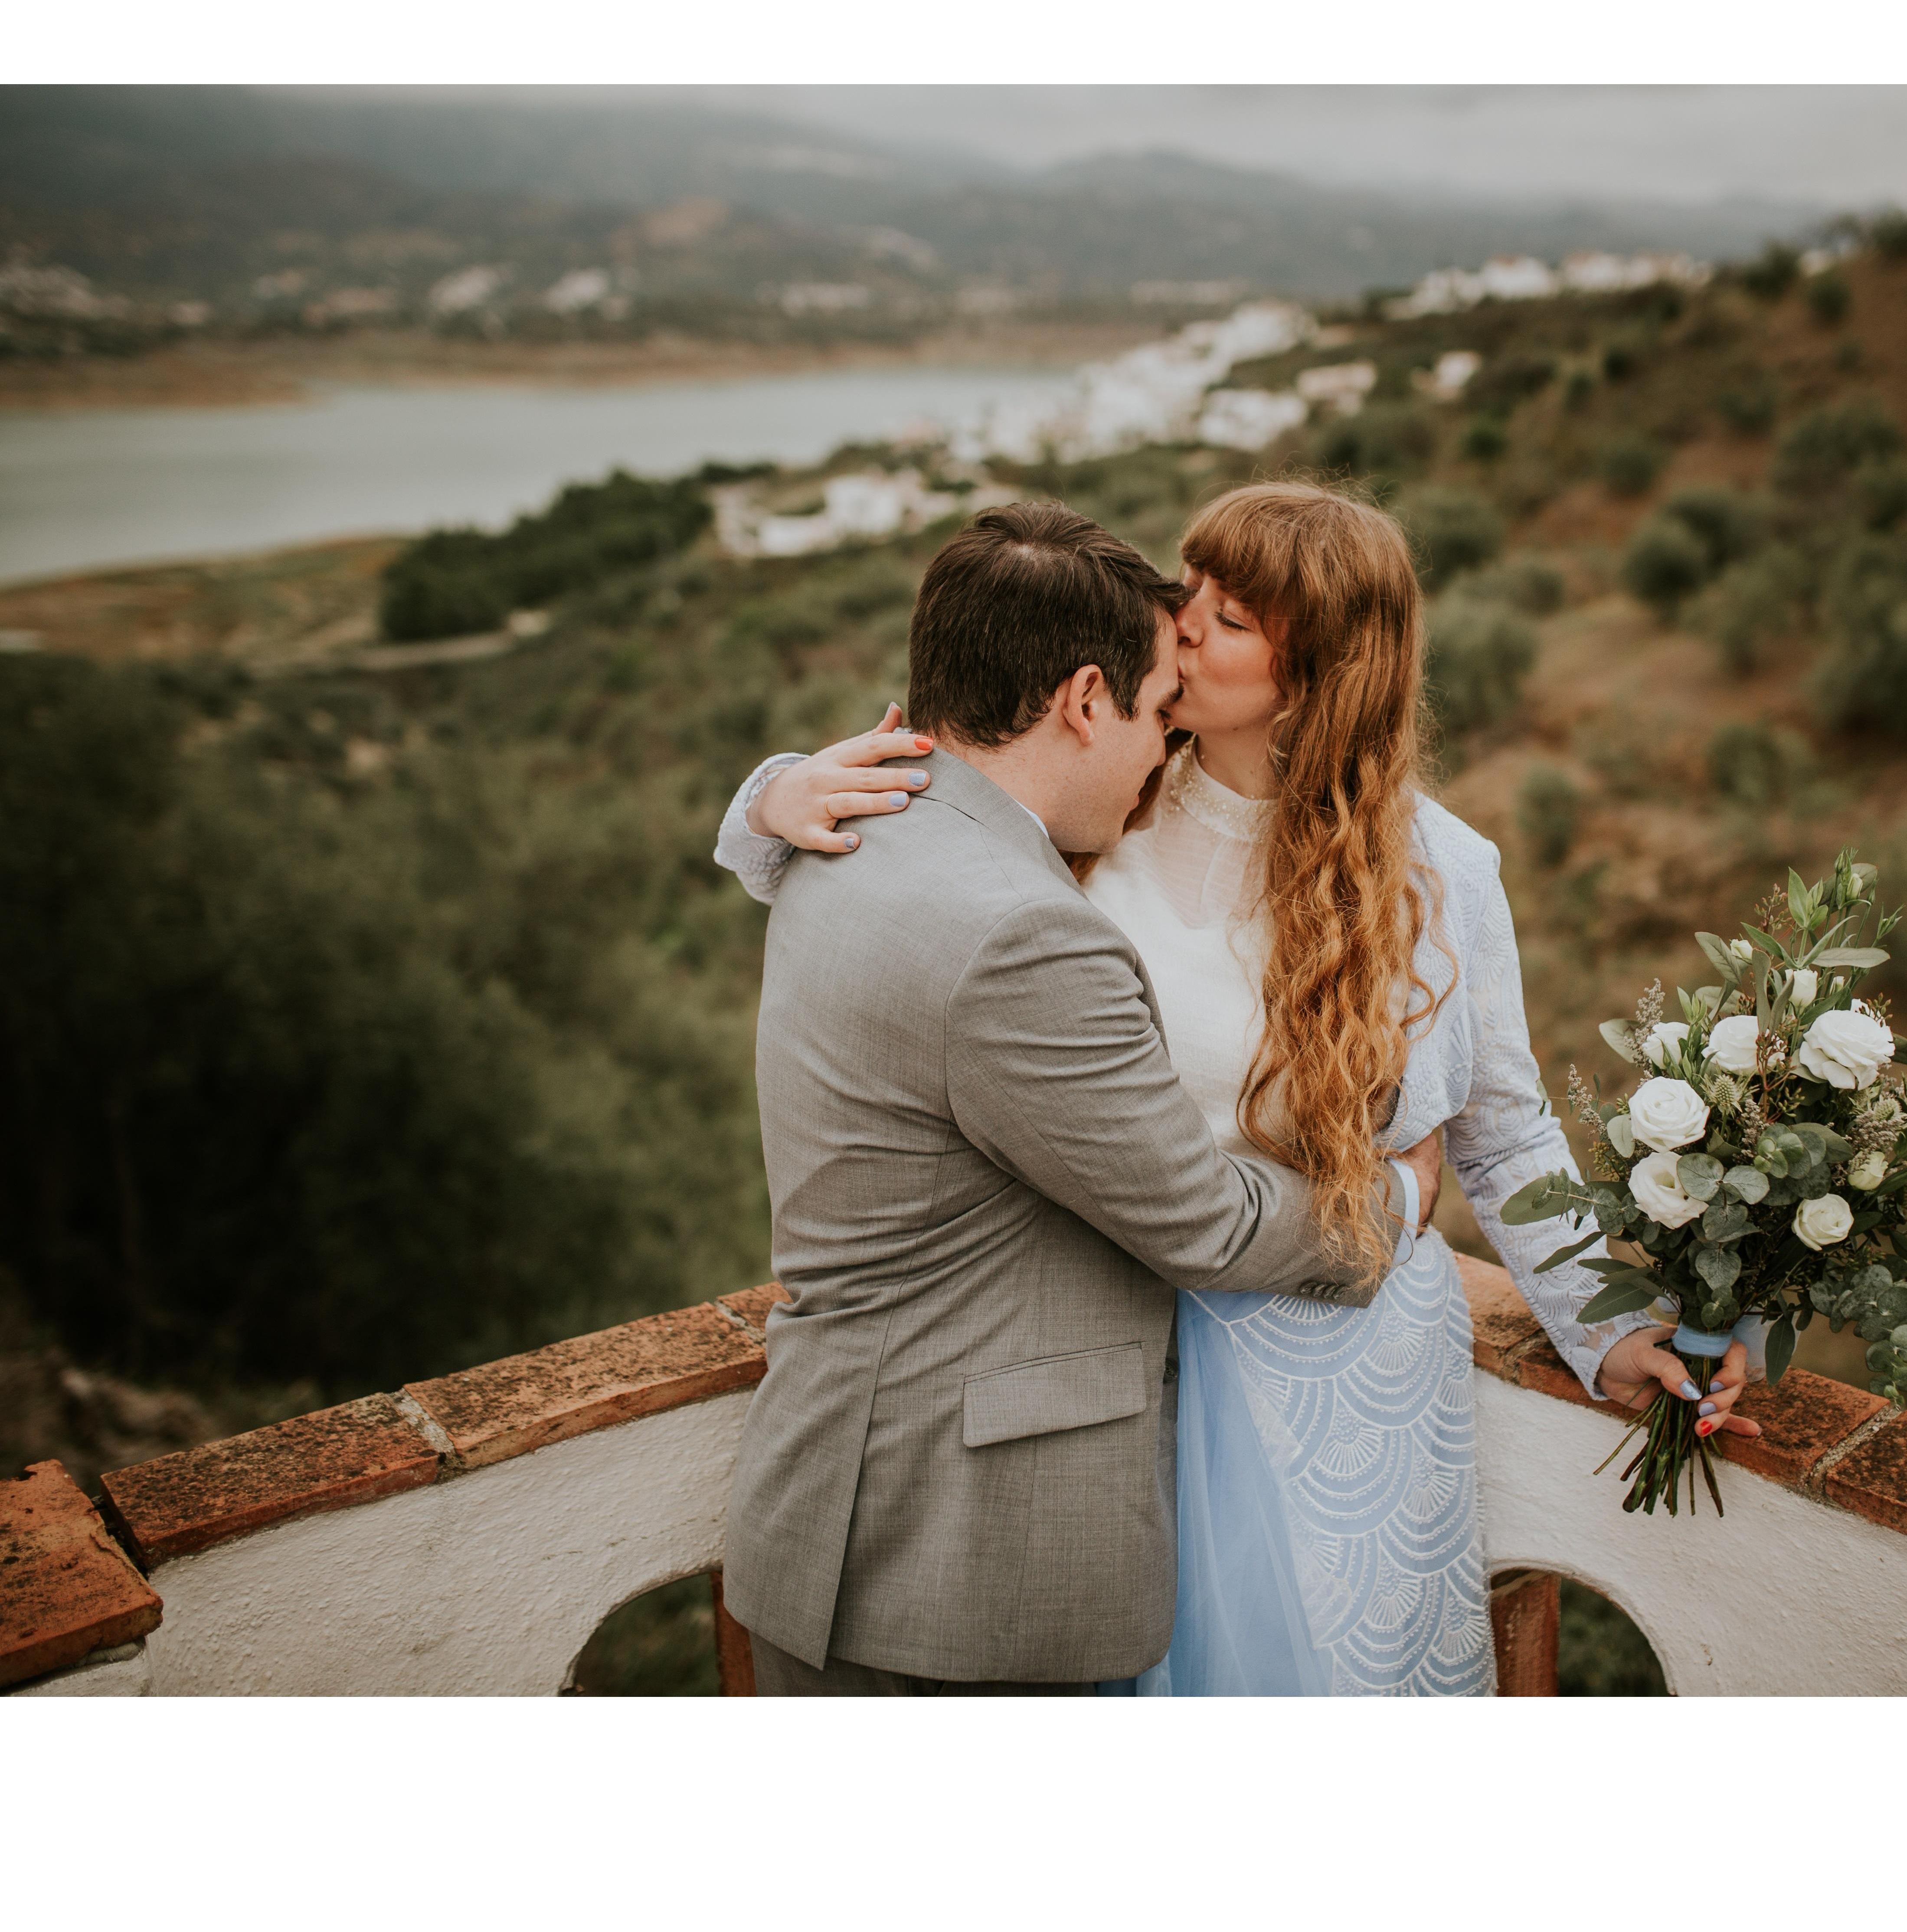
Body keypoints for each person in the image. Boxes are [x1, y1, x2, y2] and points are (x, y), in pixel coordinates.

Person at [721, 484, 1760, 1695]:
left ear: (1315, 672)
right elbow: (949, 787)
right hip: (1131, 1354)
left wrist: (1609, 1325)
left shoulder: (1442, 872)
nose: (1181, 620)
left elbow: (1508, 1128)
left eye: (1232, 613)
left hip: (1344, 1363)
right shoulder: (1100, 806)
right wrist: (769, 799)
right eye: (1192, 585)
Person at [715, 501, 1393, 1697]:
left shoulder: (841, 834)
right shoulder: (1024, 934)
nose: (1154, 755)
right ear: (1085, 700)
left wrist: (766, 792)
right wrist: (1379, 1206)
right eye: (1147, 712)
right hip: (960, 1571)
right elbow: (1200, 1221)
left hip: (825, 1514)